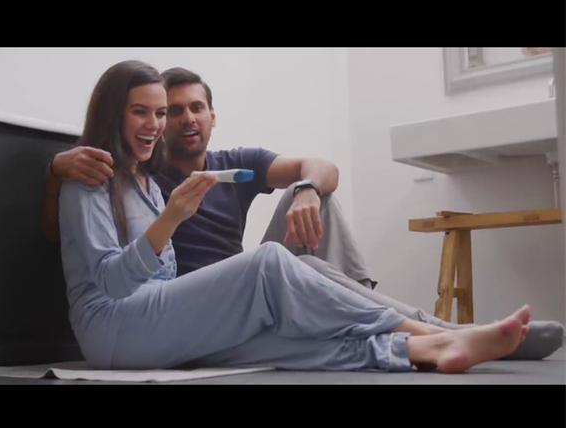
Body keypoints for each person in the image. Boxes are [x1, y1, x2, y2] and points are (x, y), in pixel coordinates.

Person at [42, 65, 563, 362]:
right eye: (147, 112)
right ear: (115, 113)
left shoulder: (151, 180)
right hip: (117, 326)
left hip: (173, 313)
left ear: (212, 115)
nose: (161, 123)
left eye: (165, 112)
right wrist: (59, 169)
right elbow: (109, 282)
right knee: (269, 262)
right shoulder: (91, 177)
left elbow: (319, 168)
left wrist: (308, 189)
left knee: (284, 340)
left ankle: (417, 350)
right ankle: (437, 334)